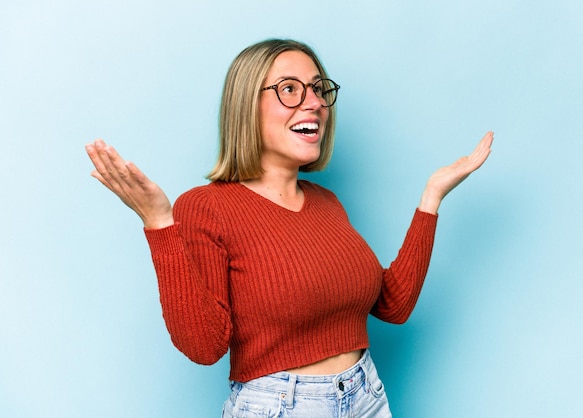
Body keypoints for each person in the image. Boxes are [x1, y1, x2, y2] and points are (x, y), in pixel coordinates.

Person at [85, 38, 493, 417]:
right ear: (246, 105)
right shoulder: (206, 207)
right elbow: (204, 347)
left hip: (367, 395)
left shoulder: (325, 201)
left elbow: (393, 306)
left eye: (319, 89)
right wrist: (159, 224)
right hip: (283, 406)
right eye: (290, 89)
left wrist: (431, 198)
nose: (313, 102)